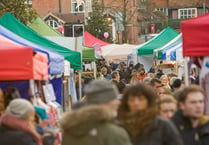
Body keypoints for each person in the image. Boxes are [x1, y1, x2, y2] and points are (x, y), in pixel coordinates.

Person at [60, 79, 132, 145]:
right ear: (104, 101)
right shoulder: (114, 133)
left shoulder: (70, 128)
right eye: (113, 99)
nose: (118, 103)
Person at [117, 83, 183, 145]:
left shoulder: (162, 125)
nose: (136, 103)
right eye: (131, 100)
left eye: (141, 99)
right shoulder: (120, 125)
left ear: (148, 101)